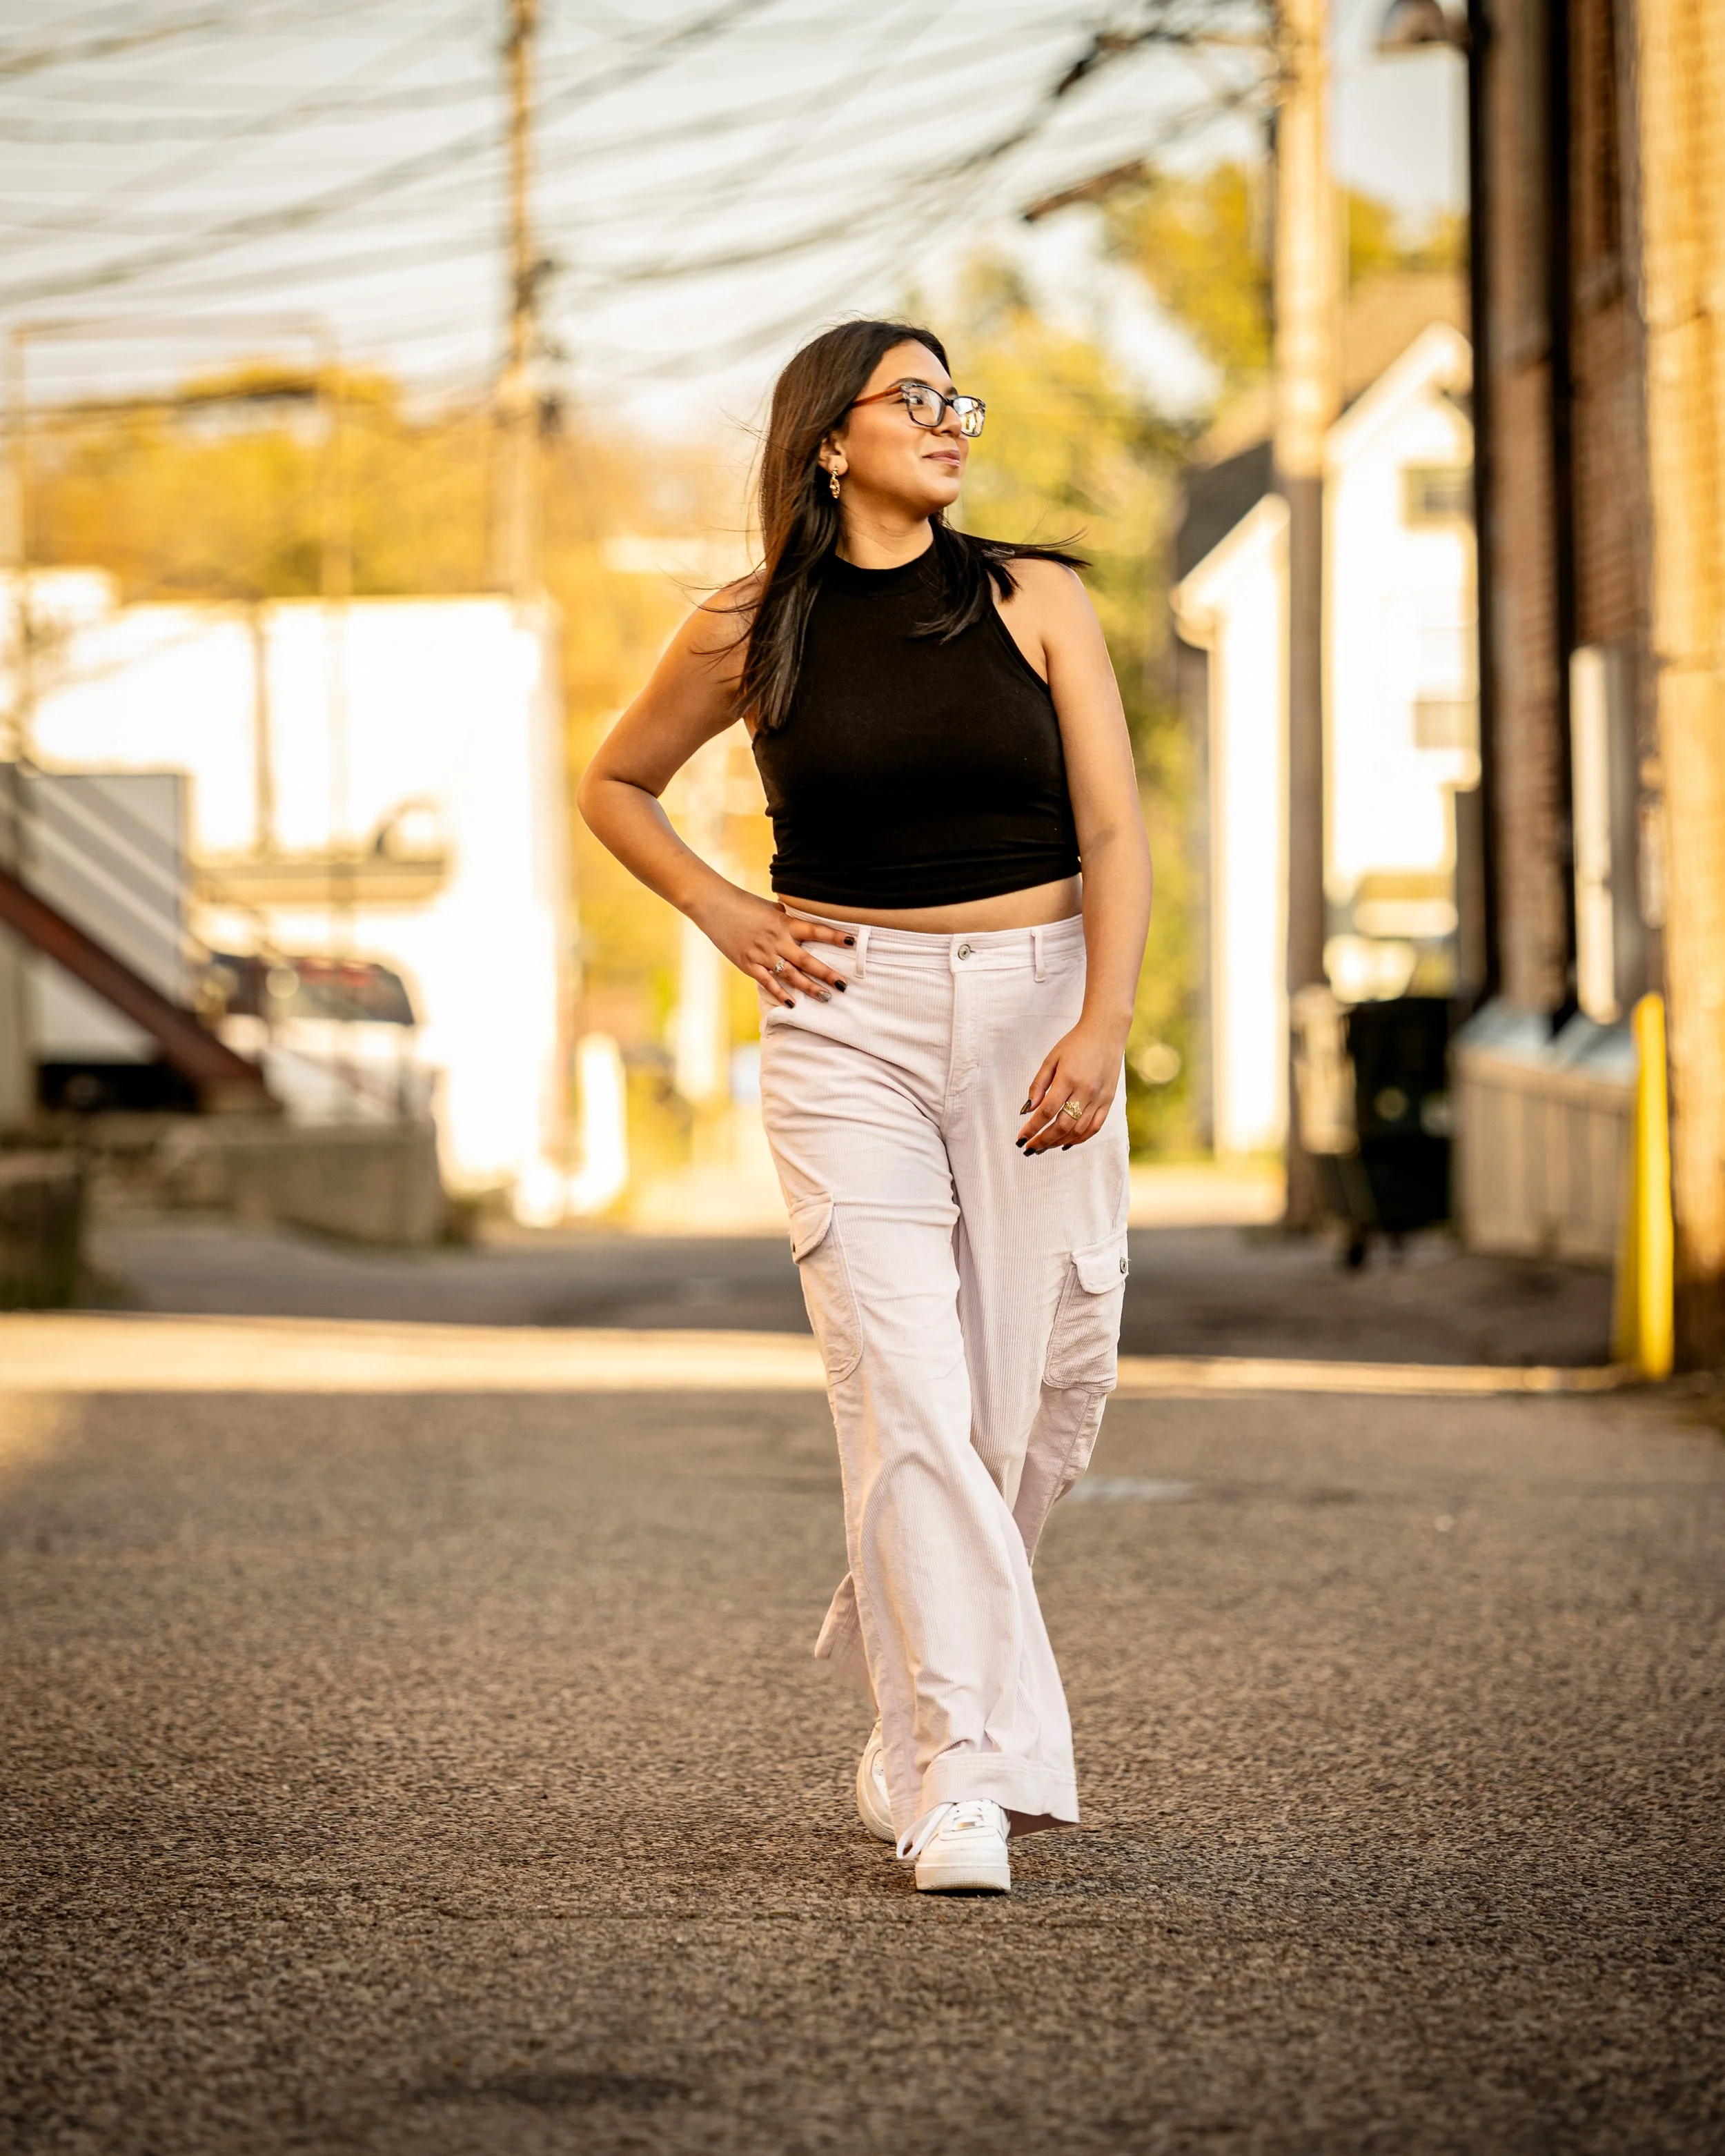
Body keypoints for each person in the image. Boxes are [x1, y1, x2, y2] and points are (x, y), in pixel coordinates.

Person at [578, 319, 1151, 1894]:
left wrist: (1103, 1020)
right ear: (830, 438)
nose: (951, 420)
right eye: (916, 399)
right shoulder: (746, 625)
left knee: (1033, 1401)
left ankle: (908, 1665)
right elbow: (615, 783)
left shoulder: (1035, 599)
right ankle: (956, 1773)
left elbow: (1112, 829)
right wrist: (722, 911)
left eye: (959, 399)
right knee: (903, 1390)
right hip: (846, 1023)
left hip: (1040, 1005)